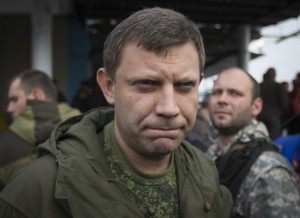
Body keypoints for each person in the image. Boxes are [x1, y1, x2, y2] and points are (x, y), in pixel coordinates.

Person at [0, 7, 232, 217]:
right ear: (109, 86)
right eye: (146, 84)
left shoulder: (208, 177)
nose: (169, 108)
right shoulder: (34, 192)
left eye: (184, 85)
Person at [206, 67, 300, 217]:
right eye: (217, 92)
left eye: (234, 93)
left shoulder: (269, 171)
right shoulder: (209, 154)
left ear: (256, 107)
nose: (222, 99)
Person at [0, 69, 81, 190]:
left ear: (37, 95)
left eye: (14, 99)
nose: (9, 108)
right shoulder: (85, 130)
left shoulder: (5, 144)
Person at [257, 67, 288, 140]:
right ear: (274, 75)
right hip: (274, 116)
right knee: (274, 140)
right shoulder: (278, 86)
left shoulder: (260, 86)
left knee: (260, 138)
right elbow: (284, 103)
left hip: (260, 115)